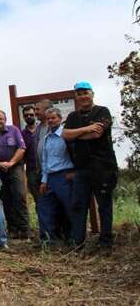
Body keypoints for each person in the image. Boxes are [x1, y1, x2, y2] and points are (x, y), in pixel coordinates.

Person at [62, 81, 118, 251]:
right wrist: (86, 129)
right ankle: (78, 243)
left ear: (92, 94)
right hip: (81, 169)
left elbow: (96, 134)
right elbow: (65, 135)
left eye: (85, 92)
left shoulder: (102, 111)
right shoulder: (72, 117)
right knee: (78, 206)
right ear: (75, 97)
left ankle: (105, 242)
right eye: (79, 94)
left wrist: (76, 134)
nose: (83, 96)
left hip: (103, 168)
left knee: (104, 206)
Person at [0, 110, 29, 239]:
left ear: (5, 120)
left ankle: (25, 229)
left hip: (15, 167)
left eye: (1, 119)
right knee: (6, 199)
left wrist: (11, 163)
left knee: (20, 196)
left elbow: (22, 148)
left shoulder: (13, 130)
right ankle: (12, 229)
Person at [36, 107, 75, 245]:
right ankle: (48, 239)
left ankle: (74, 238)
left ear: (60, 118)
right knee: (44, 207)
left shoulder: (66, 135)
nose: (51, 121)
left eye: (53, 118)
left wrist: (75, 173)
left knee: (69, 208)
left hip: (65, 176)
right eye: (48, 119)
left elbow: (76, 154)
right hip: (50, 178)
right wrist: (44, 181)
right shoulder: (47, 138)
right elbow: (45, 161)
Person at [21, 106, 42, 207]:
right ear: (23, 117)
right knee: (38, 199)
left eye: (31, 114)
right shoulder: (21, 134)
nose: (29, 117)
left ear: (35, 115)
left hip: (46, 169)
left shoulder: (42, 129)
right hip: (31, 170)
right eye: (26, 115)